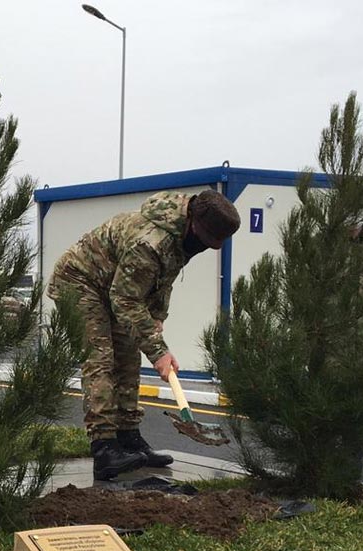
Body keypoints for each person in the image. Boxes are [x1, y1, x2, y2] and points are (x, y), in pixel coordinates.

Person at [48, 190, 241, 480]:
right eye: (206, 242)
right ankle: (104, 448)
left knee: (128, 356)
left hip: (115, 288)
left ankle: (128, 437)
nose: (206, 248)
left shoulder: (182, 236)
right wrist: (159, 351)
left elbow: (163, 281)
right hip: (80, 281)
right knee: (101, 358)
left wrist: (157, 318)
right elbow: (125, 299)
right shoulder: (151, 242)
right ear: (194, 225)